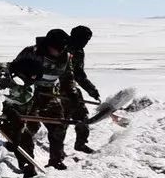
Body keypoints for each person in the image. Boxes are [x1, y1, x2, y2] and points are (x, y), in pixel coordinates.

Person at [11, 29, 76, 170]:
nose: (58, 52)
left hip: (49, 94)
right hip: (27, 94)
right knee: (25, 129)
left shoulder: (66, 57)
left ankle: (56, 160)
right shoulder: (31, 52)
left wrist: (72, 93)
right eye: (55, 48)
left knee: (58, 125)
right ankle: (27, 165)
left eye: (62, 48)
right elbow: (14, 70)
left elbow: (67, 78)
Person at [67, 25, 100, 154]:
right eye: (84, 40)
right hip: (52, 87)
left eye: (87, 40)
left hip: (70, 87)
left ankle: (80, 144)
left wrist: (91, 90)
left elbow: (79, 74)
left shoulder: (79, 52)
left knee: (82, 116)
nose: (85, 43)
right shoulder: (62, 48)